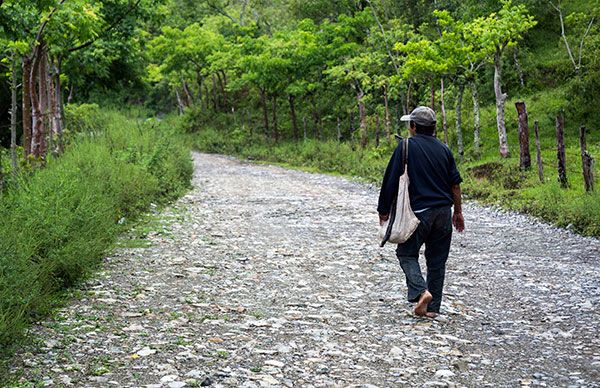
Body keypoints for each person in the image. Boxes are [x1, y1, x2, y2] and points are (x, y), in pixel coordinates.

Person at [378, 106, 464, 318]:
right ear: (434, 127)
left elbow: (391, 179)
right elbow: (455, 185)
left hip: (418, 213)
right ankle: (433, 309)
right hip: (444, 212)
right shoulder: (444, 150)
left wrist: (383, 210)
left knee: (406, 253)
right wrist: (458, 212)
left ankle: (421, 292)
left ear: (413, 126)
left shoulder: (405, 146)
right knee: (437, 260)